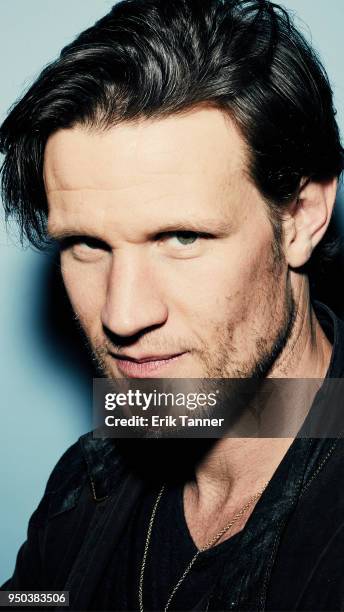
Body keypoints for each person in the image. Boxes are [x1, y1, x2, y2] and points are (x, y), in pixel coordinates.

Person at [1, 0, 344, 609]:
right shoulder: (91, 473)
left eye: (182, 237)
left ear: (301, 217)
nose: (122, 315)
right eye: (86, 244)